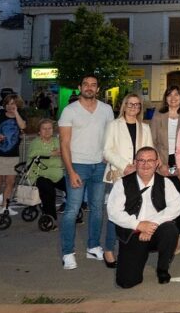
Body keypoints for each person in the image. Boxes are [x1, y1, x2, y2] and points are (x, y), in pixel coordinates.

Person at [58, 75, 115, 271]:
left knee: (98, 209)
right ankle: (67, 252)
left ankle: (93, 247)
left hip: (100, 165)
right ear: (79, 87)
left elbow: (110, 137)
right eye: (86, 84)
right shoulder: (69, 111)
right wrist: (71, 170)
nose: (89, 88)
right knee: (72, 210)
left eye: (93, 85)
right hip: (78, 166)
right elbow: (64, 144)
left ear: (98, 89)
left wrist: (109, 158)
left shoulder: (106, 110)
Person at [107, 146, 180, 288]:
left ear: (157, 162)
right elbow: (113, 212)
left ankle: (162, 268)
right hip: (133, 234)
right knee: (126, 282)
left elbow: (175, 208)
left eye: (150, 160)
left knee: (170, 230)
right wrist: (139, 225)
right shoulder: (122, 184)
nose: (145, 165)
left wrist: (151, 225)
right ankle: (138, 256)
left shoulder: (166, 183)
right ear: (135, 162)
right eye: (141, 160)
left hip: (156, 230)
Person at [103, 93, 154, 266]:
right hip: (119, 174)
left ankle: (131, 249)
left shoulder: (145, 128)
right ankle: (109, 249)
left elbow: (149, 151)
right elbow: (107, 151)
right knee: (114, 214)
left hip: (140, 176)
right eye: (130, 104)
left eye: (137, 105)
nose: (134, 107)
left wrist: (142, 168)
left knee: (137, 213)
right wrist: (126, 166)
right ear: (124, 106)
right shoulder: (114, 125)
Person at [150, 85, 180, 241]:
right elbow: (152, 141)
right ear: (165, 98)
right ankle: (162, 234)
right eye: (170, 95)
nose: (173, 98)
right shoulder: (158, 115)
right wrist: (159, 163)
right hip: (162, 161)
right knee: (162, 200)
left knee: (178, 200)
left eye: (176, 95)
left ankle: (178, 236)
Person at [0, 93, 26, 215]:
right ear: (4, 105)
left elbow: (23, 126)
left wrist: (16, 113)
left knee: (10, 182)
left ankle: (6, 207)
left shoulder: (20, 117)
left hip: (13, 155)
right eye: (8, 103)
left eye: (13, 103)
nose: (11, 106)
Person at [26, 118, 65, 230]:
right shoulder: (35, 142)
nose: (47, 131)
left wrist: (52, 156)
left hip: (56, 174)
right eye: (44, 129)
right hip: (39, 174)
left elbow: (62, 152)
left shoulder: (56, 141)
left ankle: (73, 214)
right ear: (39, 131)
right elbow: (35, 153)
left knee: (72, 187)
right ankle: (50, 218)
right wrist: (52, 153)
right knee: (48, 190)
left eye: (49, 128)